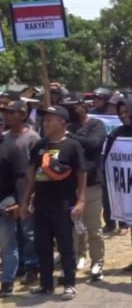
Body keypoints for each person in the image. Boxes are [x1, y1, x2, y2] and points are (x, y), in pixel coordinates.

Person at [20, 106, 86, 300]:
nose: (45, 122)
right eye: (44, 119)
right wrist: (25, 202)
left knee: (65, 246)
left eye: (50, 119)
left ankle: (69, 283)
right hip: (41, 204)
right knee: (42, 246)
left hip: (63, 204)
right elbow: (31, 176)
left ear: (62, 122)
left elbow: (81, 173)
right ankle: (46, 285)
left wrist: (81, 200)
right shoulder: (39, 146)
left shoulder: (72, 146)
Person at [63, 94, 107, 280]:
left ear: (83, 106)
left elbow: (94, 144)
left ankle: (97, 261)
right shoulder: (69, 127)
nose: (72, 110)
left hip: (92, 184)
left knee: (93, 226)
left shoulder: (96, 125)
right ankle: (80, 255)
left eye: (74, 106)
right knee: (74, 225)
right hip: (71, 183)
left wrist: (70, 137)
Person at [102, 99, 132, 279]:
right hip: (126, 187)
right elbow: (107, 158)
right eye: (121, 113)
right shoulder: (117, 133)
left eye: (127, 112)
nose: (123, 116)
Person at [1, 100, 41, 286]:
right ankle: (20, 265)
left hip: (27, 188)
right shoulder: (5, 137)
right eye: (6, 113)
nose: (7, 116)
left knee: (28, 231)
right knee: (13, 232)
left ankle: (33, 266)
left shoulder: (32, 137)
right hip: (10, 191)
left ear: (23, 115)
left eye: (12, 113)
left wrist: (30, 195)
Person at [0, 129, 28, 297]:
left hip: (5, 200)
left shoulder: (11, 148)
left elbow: (20, 179)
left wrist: (19, 203)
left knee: (7, 243)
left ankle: (7, 282)